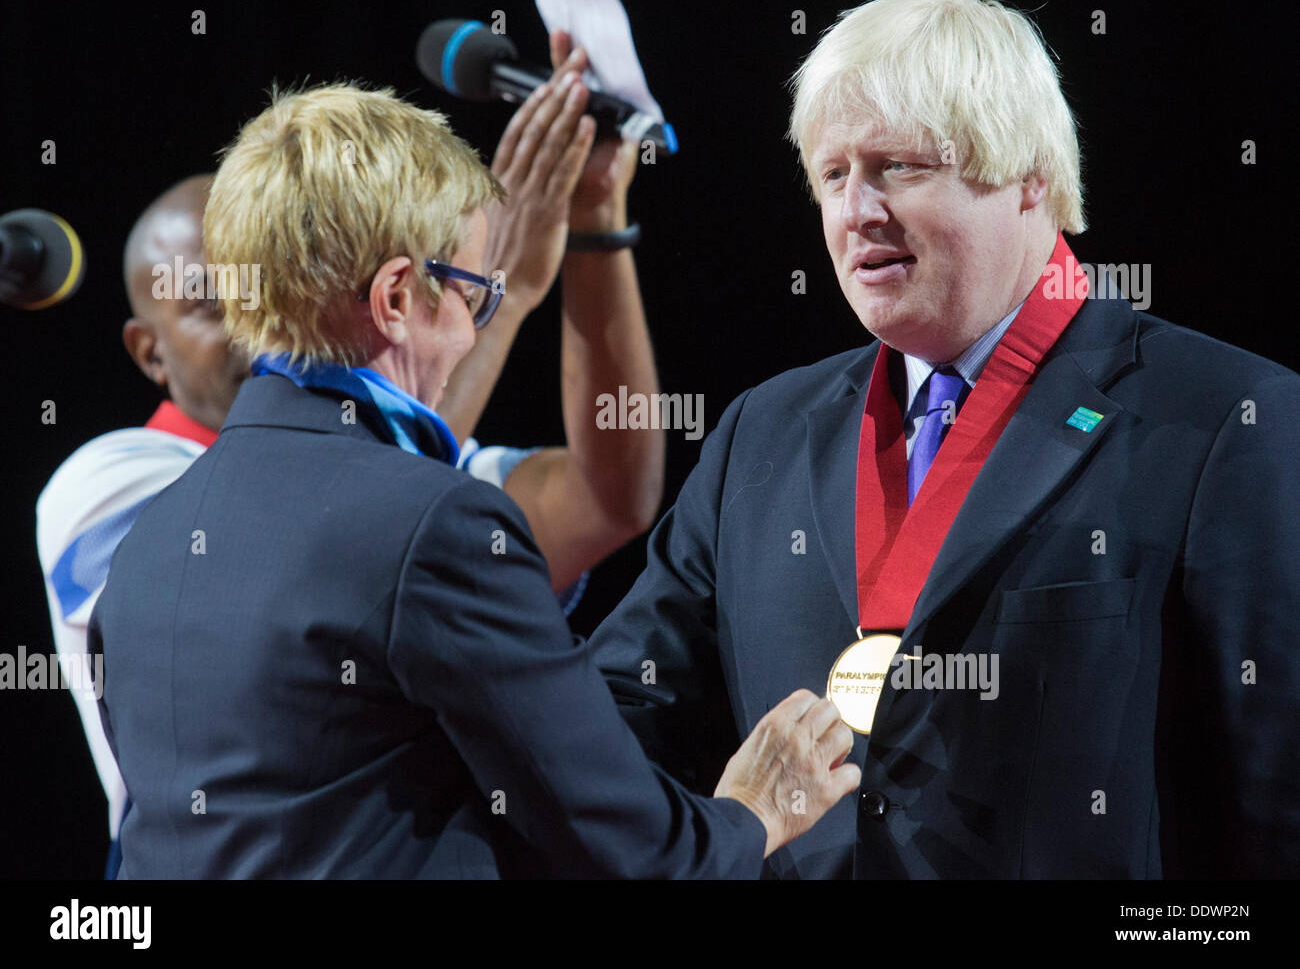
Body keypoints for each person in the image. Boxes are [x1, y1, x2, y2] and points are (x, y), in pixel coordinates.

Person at [588, 0, 1300, 879]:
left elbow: (1276, 804)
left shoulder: (1225, 422)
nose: (857, 212)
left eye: (901, 167)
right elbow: (616, 711)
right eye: (833, 175)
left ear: (1031, 176)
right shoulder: (759, 433)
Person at [86, 80, 860, 878]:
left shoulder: (152, 540)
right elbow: (634, 856)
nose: (471, 332)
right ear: (395, 297)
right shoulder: (438, 528)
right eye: (473, 296)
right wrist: (751, 814)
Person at [37, 34, 663, 873]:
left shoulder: (406, 480)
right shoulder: (111, 482)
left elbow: (607, 500)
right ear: (148, 352)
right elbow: (335, 532)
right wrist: (494, 305)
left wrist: (593, 231)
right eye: (211, 301)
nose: (248, 317)